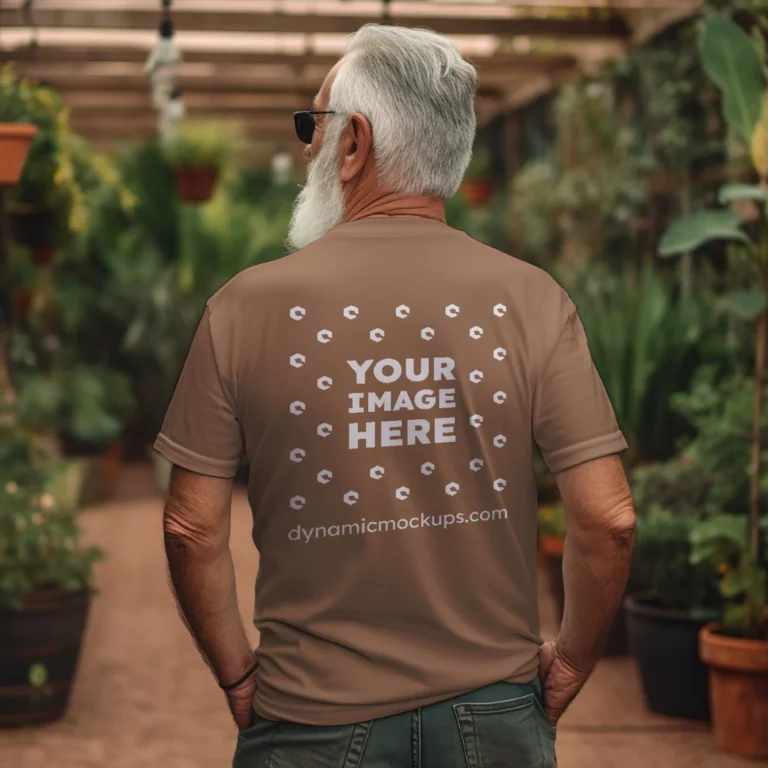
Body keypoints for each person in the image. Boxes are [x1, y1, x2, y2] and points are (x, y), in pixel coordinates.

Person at [156, 23, 636, 768]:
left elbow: (190, 529)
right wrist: (570, 661)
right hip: (495, 716)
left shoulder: (242, 309)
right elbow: (608, 519)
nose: (306, 150)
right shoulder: (532, 299)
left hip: (309, 719)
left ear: (353, 143)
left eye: (314, 128)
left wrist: (237, 672)